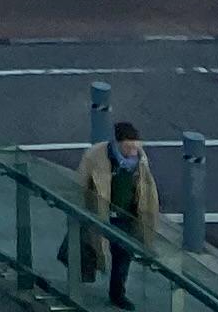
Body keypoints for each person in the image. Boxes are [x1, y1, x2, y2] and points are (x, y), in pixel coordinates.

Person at [70, 122, 164, 306]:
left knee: (123, 256)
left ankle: (117, 294)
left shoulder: (140, 161)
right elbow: (80, 184)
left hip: (126, 217)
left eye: (136, 146)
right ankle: (76, 284)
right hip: (100, 213)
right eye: (128, 146)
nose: (133, 151)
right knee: (89, 249)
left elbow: (146, 190)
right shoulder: (96, 156)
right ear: (118, 143)